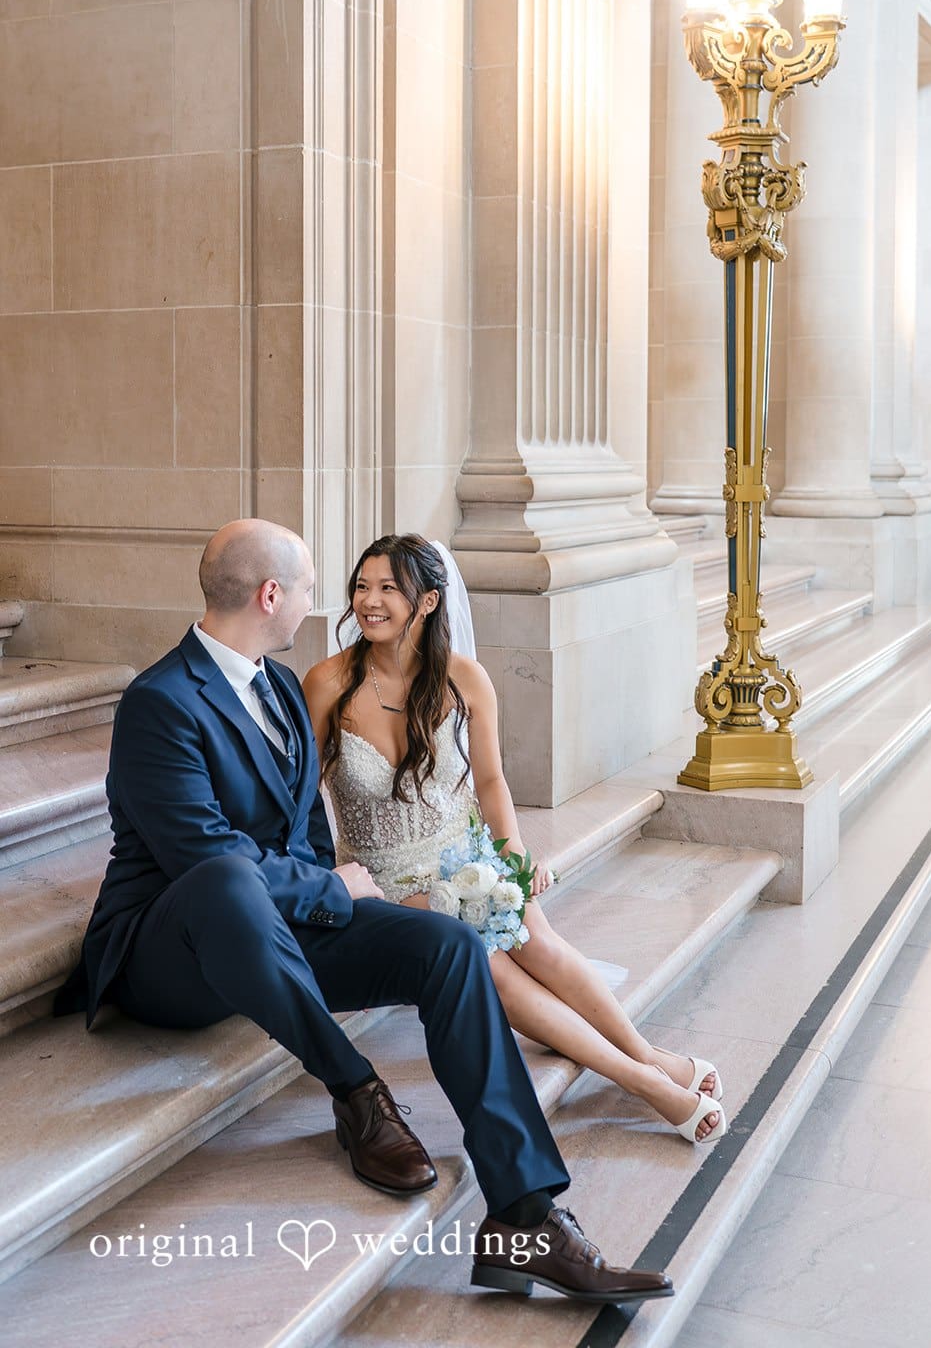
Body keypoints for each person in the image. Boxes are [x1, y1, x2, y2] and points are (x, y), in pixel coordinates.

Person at [53, 519, 672, 1305]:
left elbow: (306, 832)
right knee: (225, 882)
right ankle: (357, 1093)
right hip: (169, 953)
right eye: (313, 586)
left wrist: (333, 893)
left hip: (276, 925)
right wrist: (330, 890)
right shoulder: (160, 702)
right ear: (271, 594)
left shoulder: (279, 685)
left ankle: (526, 1217)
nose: (327, 602)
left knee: (447, 945)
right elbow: (200, 854)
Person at [303, 533, 727, 1146]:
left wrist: (512, 851)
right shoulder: (328, 682)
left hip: (461, 856)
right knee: (492, 968)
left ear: (426, 602)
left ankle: (649, 1055)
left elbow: (493, 781)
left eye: (389, 588)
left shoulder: (465, 679)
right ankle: (646, 1082)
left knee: (538, 939)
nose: (369, 601)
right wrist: (330, 885)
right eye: (362, 586)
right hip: (385, 882)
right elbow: (302, 798)